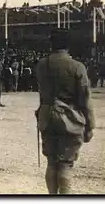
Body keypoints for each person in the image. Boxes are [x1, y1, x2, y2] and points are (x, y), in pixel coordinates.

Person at [35, 28, 95, 194]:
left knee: (52, 163)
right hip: (70, 117)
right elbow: (85, 98)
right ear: (69, 45)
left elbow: (42, 93)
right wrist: (90, 124)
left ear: (51, 44)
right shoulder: (77, 67)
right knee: (65, 164)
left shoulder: (41, 64)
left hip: (47, 116)